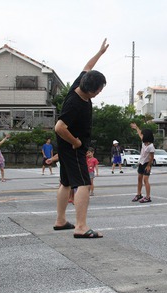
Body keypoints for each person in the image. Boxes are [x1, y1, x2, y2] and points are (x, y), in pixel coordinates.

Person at [53, 38, 108, 238]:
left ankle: (60, 221)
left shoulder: (80, 83)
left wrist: (99, 53)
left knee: (65, 183)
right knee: (83, 183)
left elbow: (88, 66)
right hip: (73, 147)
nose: (100, 92)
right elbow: (59, 127)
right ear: (92, 90)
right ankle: (81, 226)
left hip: (68, 146)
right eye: (100, 89)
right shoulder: (75, 103)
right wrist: (76, 142)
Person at [130, 123, 155, 203]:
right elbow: (139, 133)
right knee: (139, 179)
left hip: (147, 164)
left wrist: (148, 166)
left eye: (144, 135)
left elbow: (152, 158)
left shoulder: (151, 146)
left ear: (147, 136)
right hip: (141, 163)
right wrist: (136, 127)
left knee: (145, 180)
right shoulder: (143, 142)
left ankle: (148, 197)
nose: (142, 135)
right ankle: (139, 194)